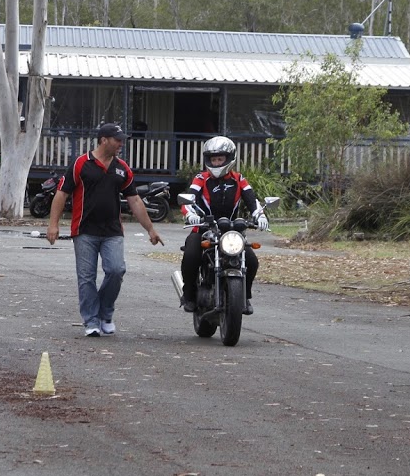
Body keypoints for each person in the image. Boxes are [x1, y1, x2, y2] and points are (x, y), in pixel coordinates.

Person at [47, 123, 163, 337]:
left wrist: (150, 230)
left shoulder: (122, 168)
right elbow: (62, 194)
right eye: (117, 140)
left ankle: (105, 313)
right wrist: (53, 225)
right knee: (86, 277)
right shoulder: (80, 164)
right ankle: (91, 321)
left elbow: (135, 200)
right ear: (103, 140)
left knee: (116, 270)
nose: (121, 144)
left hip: (112, 231)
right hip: (84, 231)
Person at [179, 136, 268, 315]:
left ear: (229, 159)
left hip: (232, 231)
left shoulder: (238, 179)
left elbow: (252, 200)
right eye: (213, 159)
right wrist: (190, 214)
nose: (216, 162)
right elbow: (188, 199)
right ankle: (188, 294)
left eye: (220, 159)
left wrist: (260, 215)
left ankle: (245, 296)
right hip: (204, 229)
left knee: (251, 260)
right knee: (191, 255)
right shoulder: (201, 178)